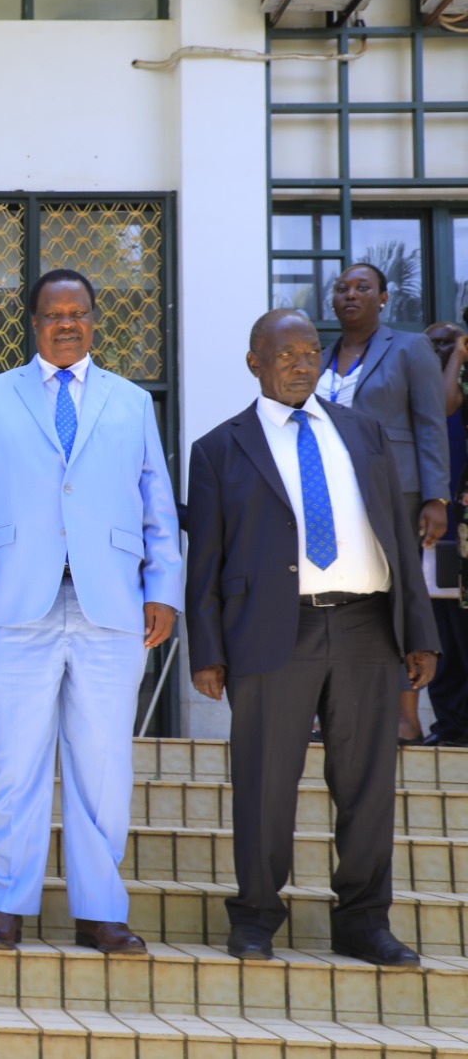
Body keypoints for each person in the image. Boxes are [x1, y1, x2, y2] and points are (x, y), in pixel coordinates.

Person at [187, 308, 437, 967]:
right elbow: (205, 559)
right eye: (285, 353)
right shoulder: (219, 448)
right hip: (273, 631)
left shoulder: (364, 432)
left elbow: (398, 535)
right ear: (254, 363)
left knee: (366, 785)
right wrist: (207, 649)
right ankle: (256, 916)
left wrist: (420, 628)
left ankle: (362, 922)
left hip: (367, 627)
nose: (301, 363)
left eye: (309, 351)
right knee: (264, 782)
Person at [0, 269, 182, 957]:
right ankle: (4, 906)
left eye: (79, 311)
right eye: (55, 313)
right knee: (13, 764)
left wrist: (163, 589)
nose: (68, 322)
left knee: (103, 765)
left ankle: (99, 910)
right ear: (34, 322)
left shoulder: (133, 402)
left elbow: (157, 507)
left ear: (94, 321)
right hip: (15, 606)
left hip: (112, 606)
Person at [320, 263, 450, 745]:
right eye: (342, 288)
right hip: (331, 499)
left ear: (384, 298)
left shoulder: (410, 348)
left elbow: (431, 423)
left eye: (362, 288)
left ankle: (405, 716)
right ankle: (335, 708)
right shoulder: (320, 356)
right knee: (340, 598)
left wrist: (435, 497)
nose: (350, 295)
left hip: (396, 494)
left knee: (399, 598)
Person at [427, 320, 468, 748]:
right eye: (432, 344)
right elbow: (439, 406)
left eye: (448, 342)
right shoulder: (419, 394)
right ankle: (450, 726)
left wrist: (459, 356)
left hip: (463, 530)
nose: (439, 349)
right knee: (441, 637)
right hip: (433, 536)